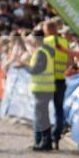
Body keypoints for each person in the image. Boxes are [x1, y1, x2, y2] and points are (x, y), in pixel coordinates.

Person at [17, 29, 55, 151]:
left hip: (42, 89)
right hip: (45, 89)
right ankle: (44, 142)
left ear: (36, 39)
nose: (30, 40)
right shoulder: (45, 50)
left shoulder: (41, 52)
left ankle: (45, 143)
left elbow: (35, 70)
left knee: (42, 117)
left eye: (31, 38)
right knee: (43, 116)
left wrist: (24, 65)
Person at [43, 18, 70, 148]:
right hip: (61, 80)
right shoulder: (65, 42)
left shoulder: (46, 42)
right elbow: (70, 61)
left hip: (48, 80)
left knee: (44, 110)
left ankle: (46, 139)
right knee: (59, 110)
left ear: (49, 30)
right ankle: (56, 137)